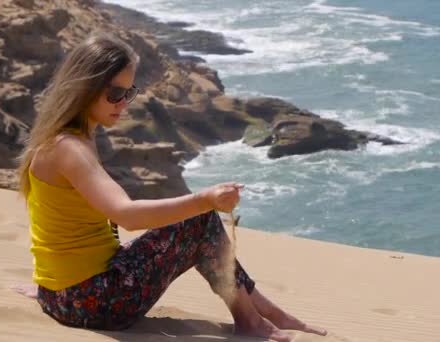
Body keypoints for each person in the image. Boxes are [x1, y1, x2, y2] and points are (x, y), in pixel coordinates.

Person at [16, 32, 326, 341]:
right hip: (97, 303)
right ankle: (253, 320)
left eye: (129, 92)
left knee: (193, 223)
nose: (123, 103)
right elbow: (127, 215)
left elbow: (55, 226)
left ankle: (265, 311)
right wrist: (204, 199)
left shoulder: (61, 139)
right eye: (114, 93)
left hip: (63, 295)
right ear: (86, 87)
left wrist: (54, 287)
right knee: (199, 219)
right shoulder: (70, 148)